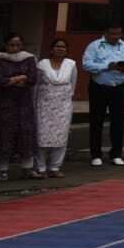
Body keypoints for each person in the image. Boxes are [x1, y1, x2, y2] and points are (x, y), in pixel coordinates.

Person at [0, 32, 37, 181]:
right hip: (2, 104)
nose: (15, 48)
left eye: (18, 44)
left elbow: (32, 79)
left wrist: (13, 80)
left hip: (24, 103)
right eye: (12, 44)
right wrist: (19, 77)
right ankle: (3, 170)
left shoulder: (29, 58)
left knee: (25, 134)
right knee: (4, 135)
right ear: (5, 45)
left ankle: (27, 168)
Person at [82, 24, 124, 167]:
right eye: (113, 34)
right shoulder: (94, 46)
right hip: (99, 87)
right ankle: (96, 155)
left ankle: (116, 154)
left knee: (118, 121)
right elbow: (86, 64)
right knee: (96, 120)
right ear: (105, 32)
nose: (116, 37)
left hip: (119, 87)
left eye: (119, 33)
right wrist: (107, 66)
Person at [33, 38, 76, 178]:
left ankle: (55, 167)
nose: (60, 49)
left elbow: (72, 84)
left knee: (61, 137)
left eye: (63, 47)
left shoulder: (71, 65)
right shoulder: (42, 65)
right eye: (57, 46)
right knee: (42, 136)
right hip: (44, 104)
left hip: (63, 105)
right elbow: (36, 85)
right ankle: (41, 167)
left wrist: (66, 99)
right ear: (51, 49)